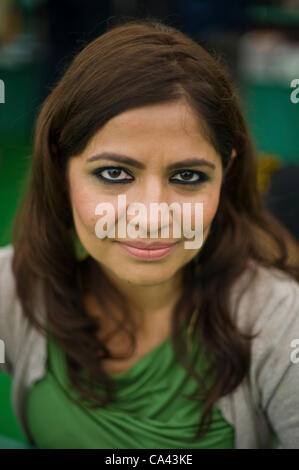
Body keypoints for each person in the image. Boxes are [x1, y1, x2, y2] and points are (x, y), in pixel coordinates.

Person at [0, 18, 299, 450]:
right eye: (115, 173)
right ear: (60, 168)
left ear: (226, 174)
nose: (153, 217)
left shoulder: (280, 321)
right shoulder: (16, 286)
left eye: (188, 175)